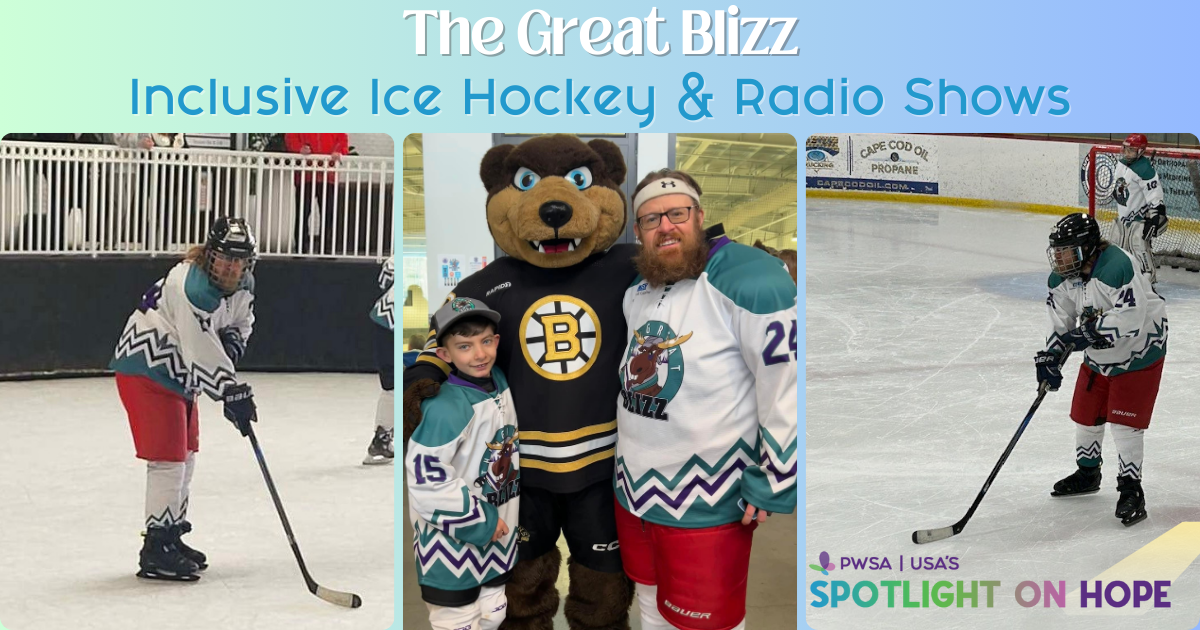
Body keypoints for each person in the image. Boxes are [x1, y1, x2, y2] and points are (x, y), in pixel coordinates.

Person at [615, 169, 798, 630]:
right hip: (633, 490)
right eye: (651, 219)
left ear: (699, 215)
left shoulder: (749, 278)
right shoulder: (640, 289)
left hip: (708, 497)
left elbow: (787, 383)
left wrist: (778, 473)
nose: (665, 226)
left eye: (677, 213)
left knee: (707, 623)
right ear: (638, 231)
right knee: (651, 604)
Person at [110, 216, 259, 581]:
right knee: (168, 460)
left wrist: (233, 347)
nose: (231, 267)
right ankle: (156, 547)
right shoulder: (190, 286)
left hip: (179, 377)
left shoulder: (243, 285)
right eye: (224, 258)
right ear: (210, 255)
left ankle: (171, 533)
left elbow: (242, 322)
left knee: (187, 455)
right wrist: (229, 390)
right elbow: (198, 348)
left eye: (239, 260)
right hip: (147, 368)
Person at [1037, 213, 1167, 527]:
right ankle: (1087, 473)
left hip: (1139, 351)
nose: (1060, 258)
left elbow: (1132, 317)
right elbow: (1061, 321)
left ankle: (1131, 488)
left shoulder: (1116, 267)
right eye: (1057, 251)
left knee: (1124, 425)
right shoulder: (1062, 279)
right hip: (1100, 355)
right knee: (1086, 415)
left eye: (1066, 251)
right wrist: (1050, 357)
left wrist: (1085, 335)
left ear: (1086, 248)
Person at [407, 297, 519, 630]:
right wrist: (482, 522)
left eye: (486, 341)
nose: (479, 354)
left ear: (496, 341)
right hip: (450, 549)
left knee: (494, 614)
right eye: (464, 346)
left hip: (498, 543)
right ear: (444, 354)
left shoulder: (499, 380)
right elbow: (427, 484)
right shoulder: (443, 408)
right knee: (458, 621)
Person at [1110, 133, 1168, 284]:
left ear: (1141, 151)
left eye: (1131, 150)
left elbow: (1154, 194)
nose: (1127, 153)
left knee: (1139, 246)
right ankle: (1122, 279)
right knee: (1118, 248)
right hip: (1123, 216)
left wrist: (1156, 215)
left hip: (1139, 218)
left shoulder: (1145, 169)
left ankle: (1148, 281)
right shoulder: (1122, 163)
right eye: (1126, 149)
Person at [284, 133, 348, 255]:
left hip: (327, 175)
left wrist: (338, 152)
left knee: (328, 213)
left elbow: (342, 140)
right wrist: (299, 148)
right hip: (306, 175)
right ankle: (301, 248)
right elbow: (290, 137)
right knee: (303, 212)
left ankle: (326, 248)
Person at [364, 256, 395, 465]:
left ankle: (381, 439)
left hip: (385, 318)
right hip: (411, 318)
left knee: (392, 385)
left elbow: (384, 278)